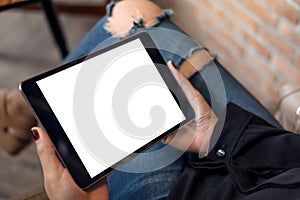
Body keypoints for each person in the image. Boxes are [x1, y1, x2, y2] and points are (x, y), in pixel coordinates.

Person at [3, 0, 296, 199]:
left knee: (135, 19)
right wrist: (211, 137)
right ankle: (22, 109)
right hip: (265, 161)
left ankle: (20, 110)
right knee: (138, 20)